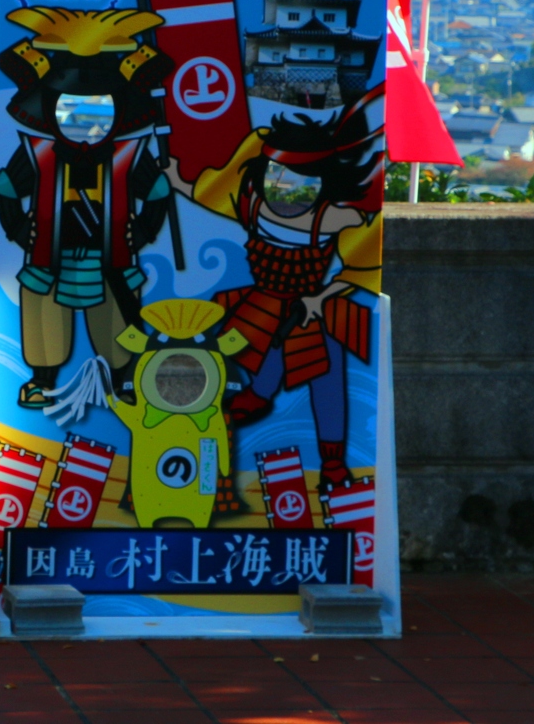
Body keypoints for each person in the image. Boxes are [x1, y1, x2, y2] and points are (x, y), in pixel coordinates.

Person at [164, 96, 383, 489]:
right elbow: (207, 195)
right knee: (244, 347)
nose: (285, 191)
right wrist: (176, 178)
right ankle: (257, 396)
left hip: (310, 305)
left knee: (324, 374)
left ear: (322, 181)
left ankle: (333, 460)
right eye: (277, 177)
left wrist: (322, 297)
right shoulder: (252, 205)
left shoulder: (333, 217)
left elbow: (362, 262)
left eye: (301, 183)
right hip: (264, 297)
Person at [0, 6, 174, 407]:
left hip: (111, 254)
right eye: (71, 110)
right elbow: (6, 189)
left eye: (100, 110)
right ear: (52, 109)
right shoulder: (39, 151)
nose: (86, 122)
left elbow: (158, 191)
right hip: (48, 254)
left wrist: (143, 231)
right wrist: (20, 230)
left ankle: (123, 381)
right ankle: (42, 380)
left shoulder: (128, 154)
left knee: (117, 321)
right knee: (43, 316)